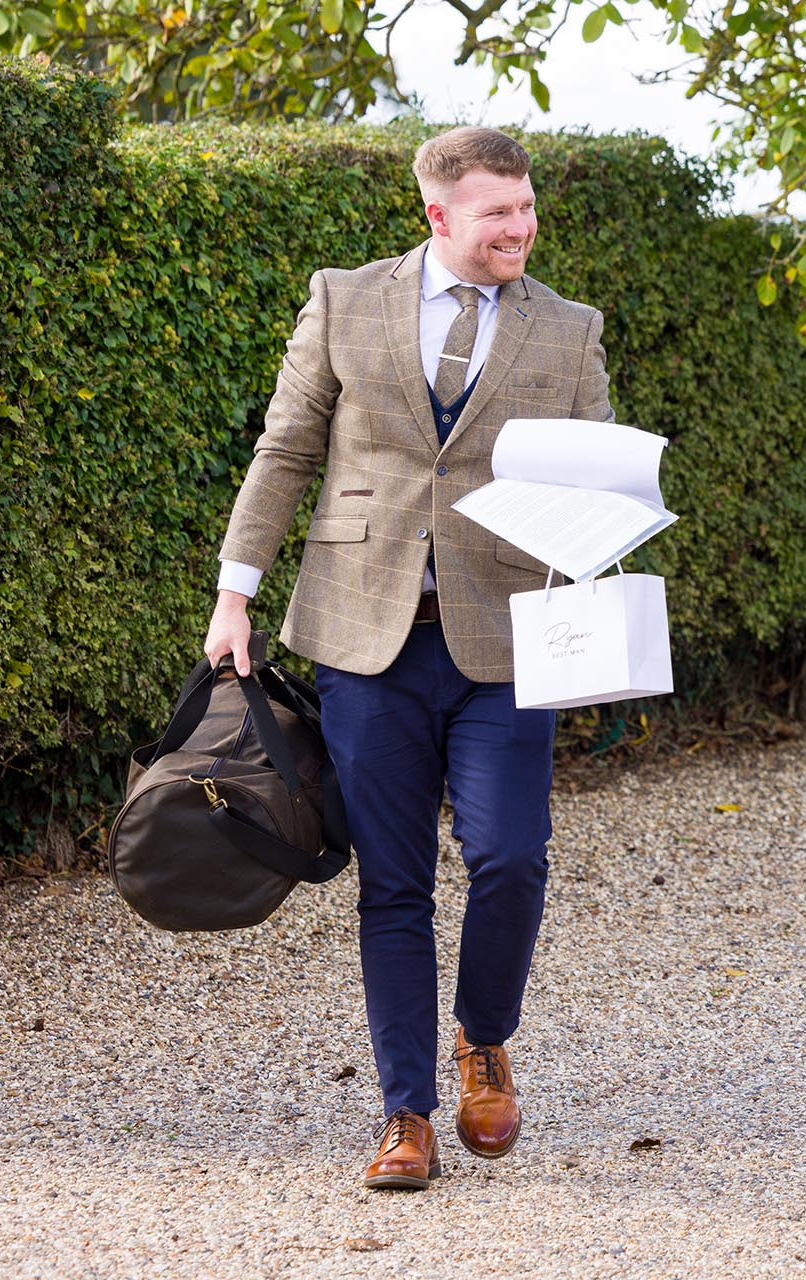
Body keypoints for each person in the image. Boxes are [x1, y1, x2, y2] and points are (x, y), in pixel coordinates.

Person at [201, 126, 612, 1190]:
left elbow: (599, 483)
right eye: (496, 215)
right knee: (391, 883)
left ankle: (484, 1035)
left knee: (512, 854)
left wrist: (599, 583)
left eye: (526, 209)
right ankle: (406, 1113)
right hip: (362, 636)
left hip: (506, 638)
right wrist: (233, 593)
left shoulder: (569, 330)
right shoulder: (345, 299)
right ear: (437, 215)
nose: (519, 229)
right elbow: (286, 448)